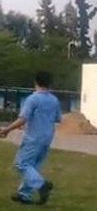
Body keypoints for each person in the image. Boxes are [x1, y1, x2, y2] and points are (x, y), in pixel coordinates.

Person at [0, 71, 61, 205]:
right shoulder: (54, 99)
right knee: (34, 166)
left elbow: (23, 118)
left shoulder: (33, 99)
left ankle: (41, 184)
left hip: (34, 137)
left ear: (35, 82)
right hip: (47, 137)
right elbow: (57, 118)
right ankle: (24, 195)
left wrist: (7, 129)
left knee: (21, 163)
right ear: (49, 83)